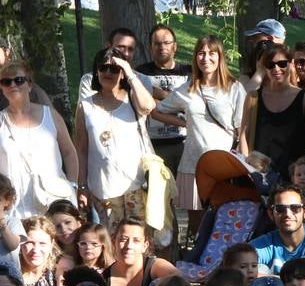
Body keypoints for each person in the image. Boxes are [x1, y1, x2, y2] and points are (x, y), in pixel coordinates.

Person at [159, 35, 245, 234]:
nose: (206, 58)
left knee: (224, 222)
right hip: (192, 165)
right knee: (197, 228)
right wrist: (185, 123)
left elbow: (242, 129)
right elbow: (158, 111)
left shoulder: (234, 88)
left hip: (223, 167)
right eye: (201, 53)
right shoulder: (188, 89)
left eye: (211, 53)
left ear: (220, 56)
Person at [74, 49, 158, 228]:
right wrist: (81, 186)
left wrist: (129, 71)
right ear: (97, 71)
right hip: (103, 188)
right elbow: (80, 149)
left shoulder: (132, 98)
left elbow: (149, 106)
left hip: (135, 186)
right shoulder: (85, 106)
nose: (108, 73)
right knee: (111, 243)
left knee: (138, 241)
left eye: (114, 69)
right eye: (103, 68)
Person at [0, 60, 79, 219]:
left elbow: (69, 152)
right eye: (6, 81)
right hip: (16, 206)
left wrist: (73, 185)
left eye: (19, 80)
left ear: (29, 85)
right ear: (1, 88)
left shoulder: (51, 115)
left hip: (55, 202)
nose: (13, 84)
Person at [242, 43, 305, 185]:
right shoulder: (253, 97)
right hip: (257, 175)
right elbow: (244, 134)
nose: (276, 69)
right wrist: (247, 170)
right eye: (270, 65)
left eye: (282, 63)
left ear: (291, 64)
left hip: (294, 177)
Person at [136, 24, 191, 175]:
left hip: (185, 142)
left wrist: (158, 95)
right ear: (150, 47)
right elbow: (143, 103)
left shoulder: (189, 73)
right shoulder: (141, 73)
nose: (162, 47)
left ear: (175, 46)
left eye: (167, 43)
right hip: (153, 145)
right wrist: (174, 100)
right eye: (157, 43)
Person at [249, 184, 305, 275]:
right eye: (280, 209)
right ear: (271, 214)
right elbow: (243, 270)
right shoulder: (262, 245)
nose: (287, 214)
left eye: (295, 208)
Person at [103, 218, 179, 286]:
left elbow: (178, 277)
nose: (129, 246)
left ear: (145, 246)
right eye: (123, 239)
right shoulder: (104, 279)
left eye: (136, 241)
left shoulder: (153, 266)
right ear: (113, 242)